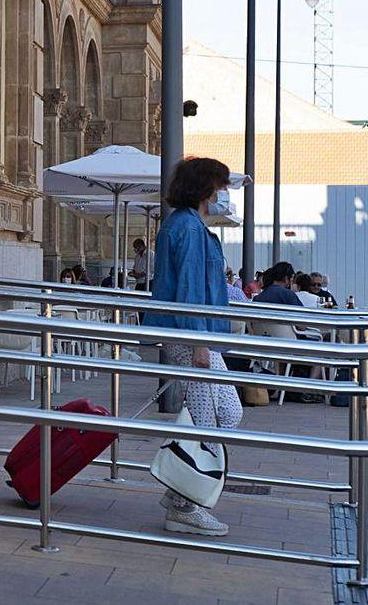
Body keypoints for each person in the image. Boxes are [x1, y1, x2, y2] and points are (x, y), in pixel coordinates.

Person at [144, 157, 242, 537]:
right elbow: (188, 290)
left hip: (197, 333)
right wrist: (200, 343)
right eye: (221, 186)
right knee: (209, 420)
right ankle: (186, 503)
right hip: (193, 335)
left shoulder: (190, 226)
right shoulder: (187, 228)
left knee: (223, 415)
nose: (224, 194)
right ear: (205, 189)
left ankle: (178, 489)